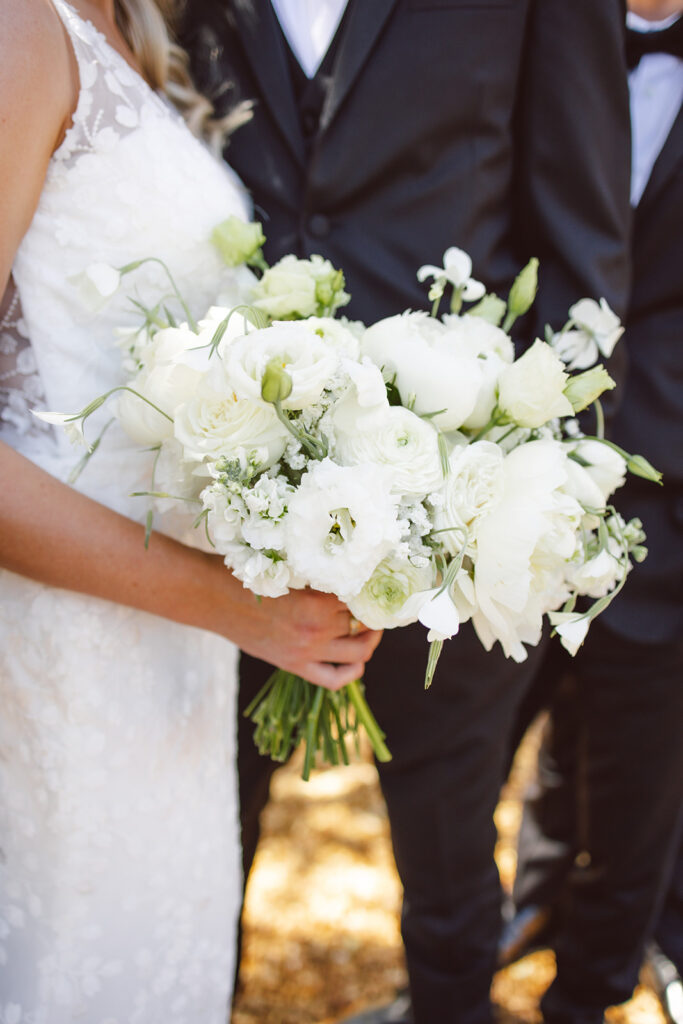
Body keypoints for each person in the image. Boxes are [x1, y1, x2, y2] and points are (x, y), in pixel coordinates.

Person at [178, 3, 632, 1021]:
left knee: (448, 884)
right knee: (196, 859)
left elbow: (582, 258)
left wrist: (501, 483)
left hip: (447, 531)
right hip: (213, 513)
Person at [0, 0, 382, 1019]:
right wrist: (233, 604)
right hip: (63, 648)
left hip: (171, 653)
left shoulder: (138, 33)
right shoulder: (21, 33)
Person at [499, 2, 683, 1021]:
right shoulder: (526, 27)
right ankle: (501, 924)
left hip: (664, 496)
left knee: (636, 789)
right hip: (505, 472)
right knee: (473, 749)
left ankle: (589, 993)